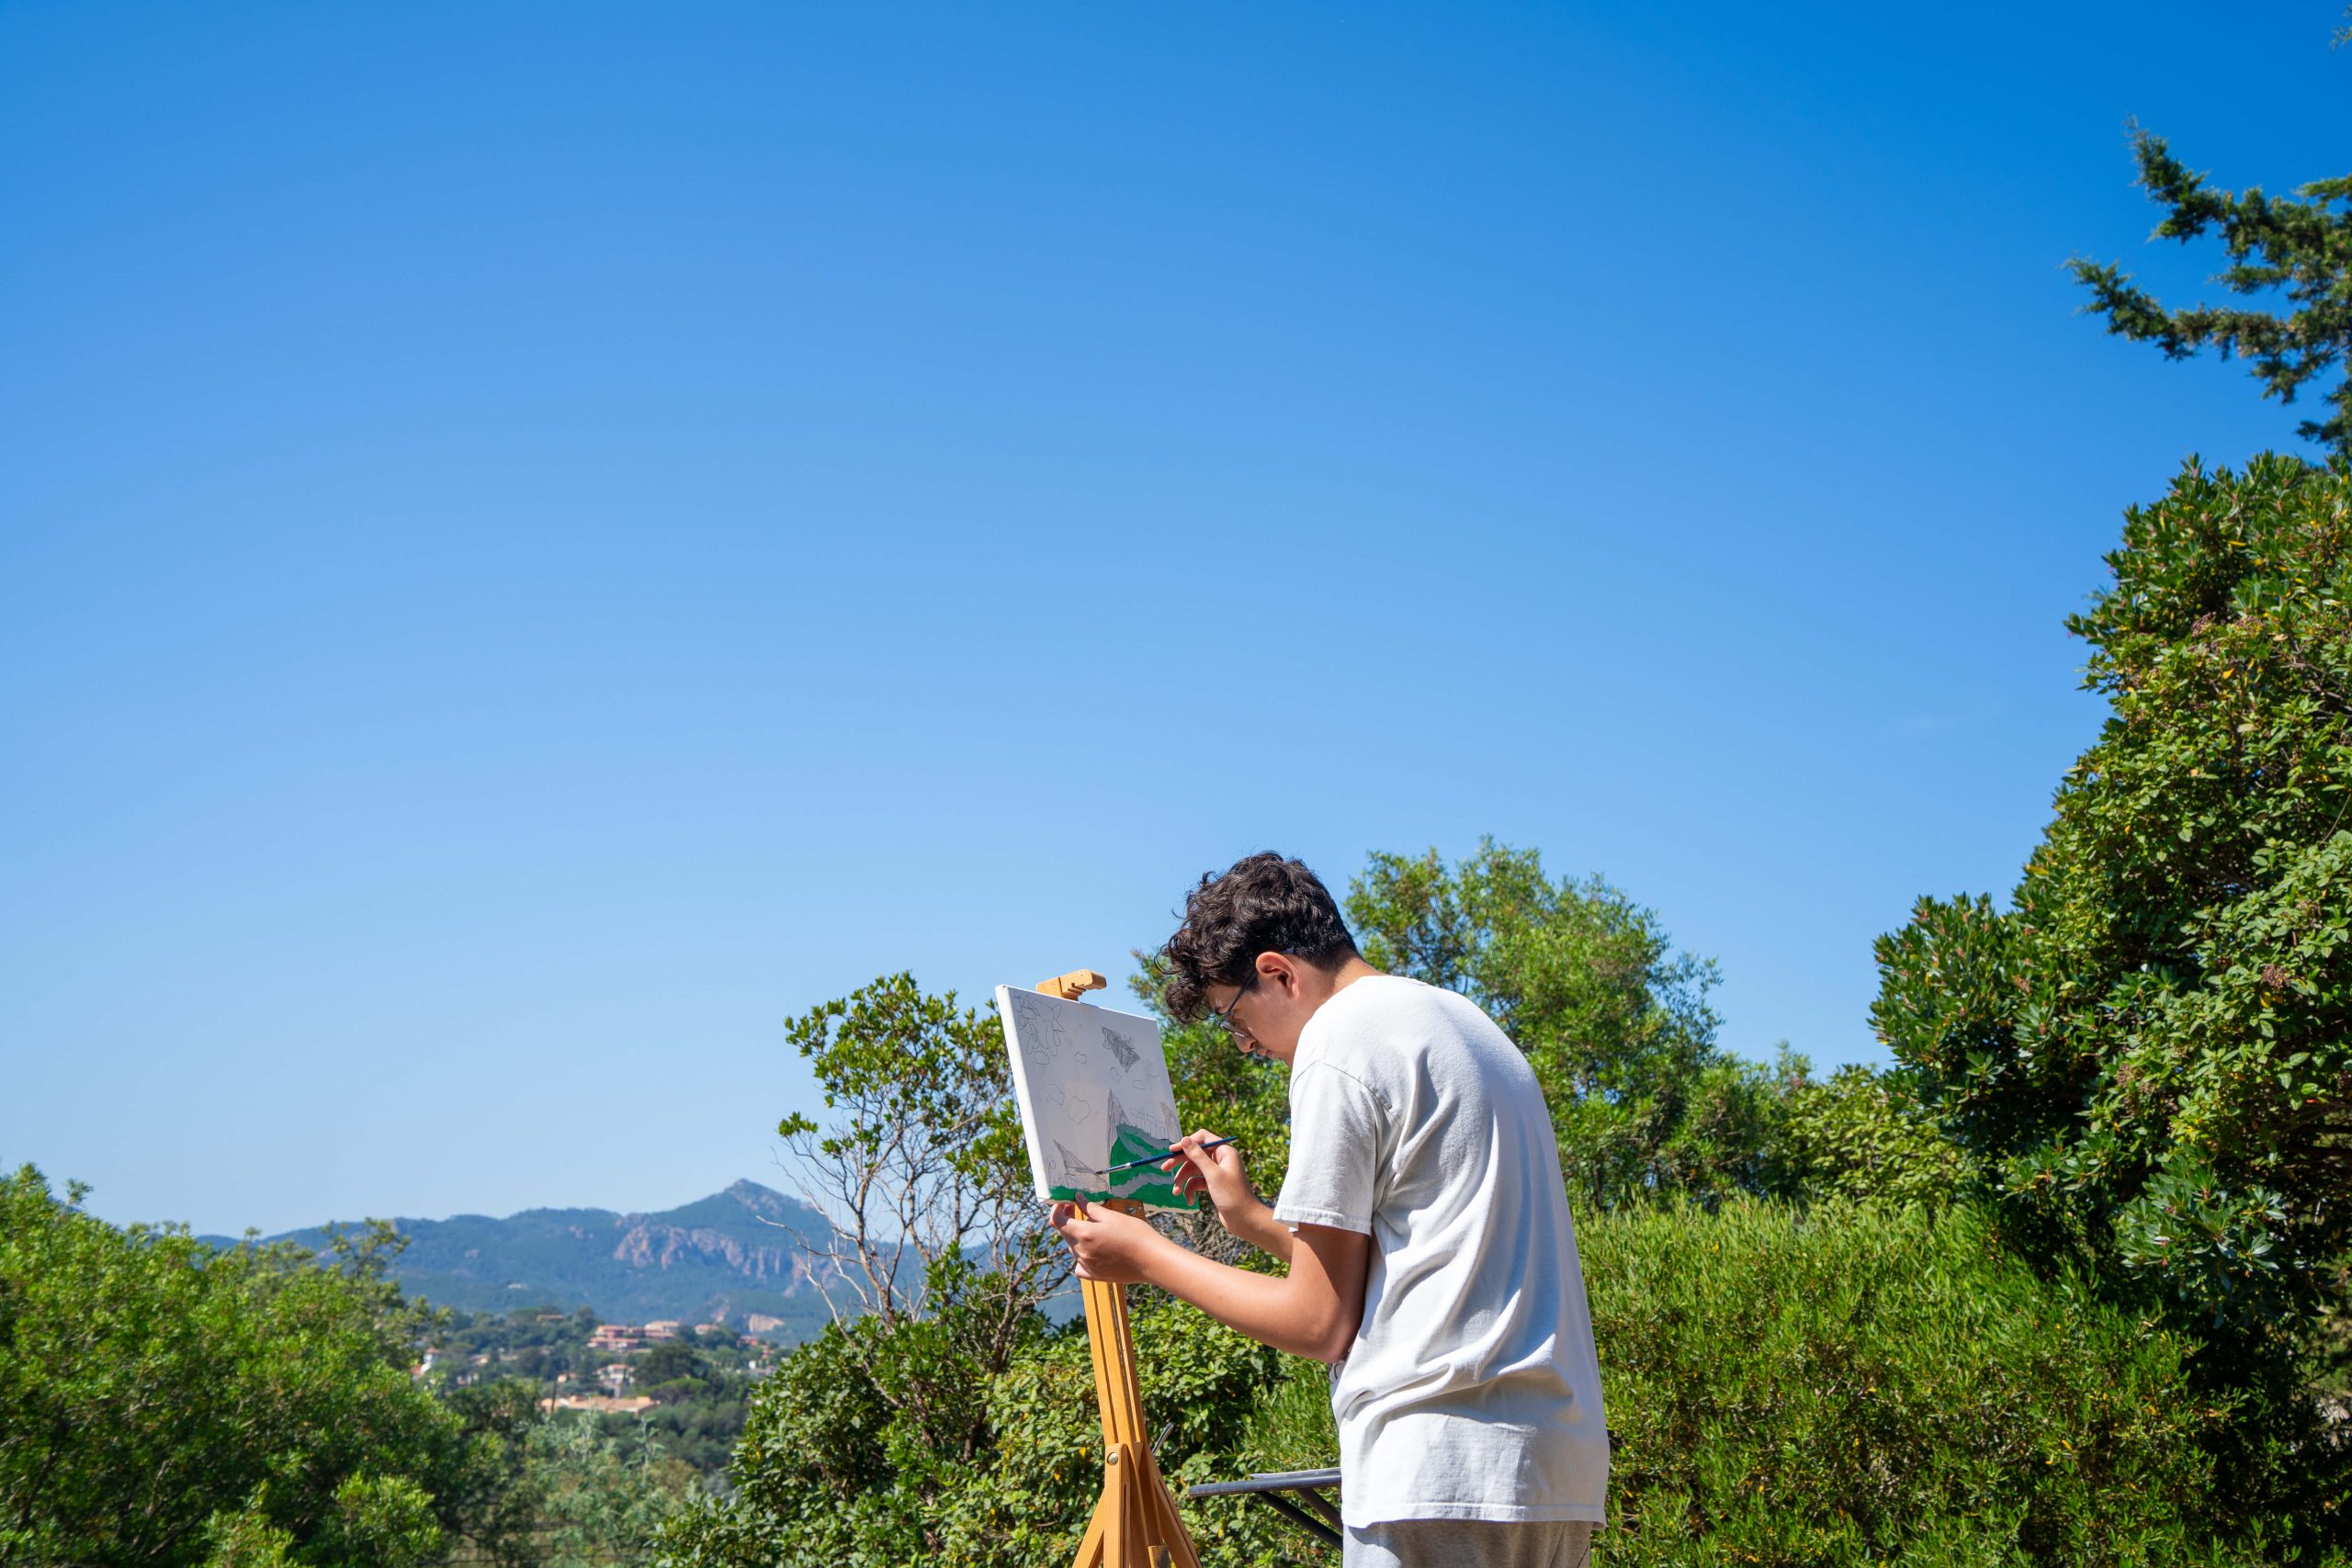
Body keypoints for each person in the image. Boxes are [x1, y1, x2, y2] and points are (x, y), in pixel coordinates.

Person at [1049, 852, 1609, 1568]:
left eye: (1233, 1016)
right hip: (1550, 1469)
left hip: (1435, 1470)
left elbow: (1318, 1322)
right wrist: (1251, 1217)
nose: (1246, 1045)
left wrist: (1147, 1256)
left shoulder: (1338, 1042)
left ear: (1279, 972)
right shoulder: (1464, 1025)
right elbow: (1416, 1262)